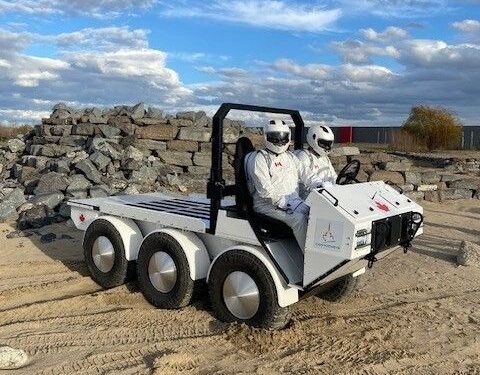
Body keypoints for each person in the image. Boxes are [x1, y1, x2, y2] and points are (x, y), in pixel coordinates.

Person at [245, 120, 321, 250]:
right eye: (275, 137)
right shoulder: (260, 158)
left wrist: (320, 184)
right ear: (266, 137)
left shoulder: (290, 157)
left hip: (292, 201)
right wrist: (287, 203)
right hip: (267, 205)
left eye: (283, 137)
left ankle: (320, 250)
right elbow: (265, 190)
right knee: (299, 220)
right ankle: (308, 257)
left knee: (318, 214)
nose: (279, 141)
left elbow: (306, 174)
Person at [294, 124, 337, 199]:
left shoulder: (325, 158)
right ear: (313, 139)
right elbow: (305, 179)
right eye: (323, 143)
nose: (327, 147)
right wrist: (319, 185)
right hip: (310, 198)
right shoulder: (303, 157)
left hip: (328, 194)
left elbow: (333, 176)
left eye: (329, 144)